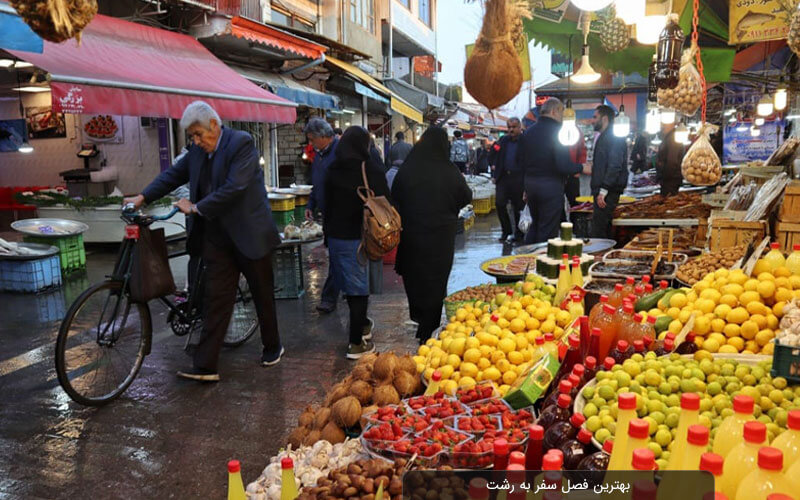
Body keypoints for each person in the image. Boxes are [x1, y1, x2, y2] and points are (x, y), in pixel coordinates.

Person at [123, 101, 283, 381]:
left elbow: (235, 188)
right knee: (216, 297)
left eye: (198, 134)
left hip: (249, 233)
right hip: (217, 236)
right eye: (192, 137)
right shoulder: (197, 151)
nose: (196, 141)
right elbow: (172, 175)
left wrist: (196, 208)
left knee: (262, 293)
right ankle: (206, 365)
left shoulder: (241, 144)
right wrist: (142, 198)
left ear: (213, 125)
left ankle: (273, 346)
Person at [392, 127, 472, 343]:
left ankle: (422, 321)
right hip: (440, 238)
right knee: (436, 281)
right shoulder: (449, 170)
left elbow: (395, 197)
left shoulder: (408, 169)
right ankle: (429, 326)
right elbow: (466, 196)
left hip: (412, 236)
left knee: (416, 279)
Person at [324, 126, 390, 359]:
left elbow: (326, 204)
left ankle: (362, 325)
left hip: (335, 237)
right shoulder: (369, 168)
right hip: (359, 237)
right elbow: (384, 199)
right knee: (359, 289)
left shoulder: (332, 168)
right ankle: (355, 344)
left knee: (351, 287)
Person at [519, 98, 589, 244]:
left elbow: (521, 162)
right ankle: (542, 263)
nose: (563, 117)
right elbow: (562, 165)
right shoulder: (558, 132)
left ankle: (527, 260)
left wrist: (525, 188)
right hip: (550, 187)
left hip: (531, 185)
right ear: (554, 111)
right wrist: (582, 167)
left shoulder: (528, 132)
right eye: (562, 113)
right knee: (547, 229)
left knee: (536, 224)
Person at [303, 118, 341, 313]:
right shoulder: (319, 155)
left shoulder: (340, 152)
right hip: (327, 214)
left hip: (340, 215)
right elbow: (317, 183)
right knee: (336, 256)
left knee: (336, 256)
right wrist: (311, 203)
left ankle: (329, 297)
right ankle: (340, 293)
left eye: (312, 139)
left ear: (323, 136)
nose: (311, 144)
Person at [590, 105, 629, 239]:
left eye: (595, 117)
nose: (592, 120)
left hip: (607, 193)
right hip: (604, 191)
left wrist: (604, 190)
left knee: (600, 232)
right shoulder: (605, 137)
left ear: (604, 118)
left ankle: (601, 257)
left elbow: (615, 165)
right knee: (602, 230)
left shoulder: (613, 137)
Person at [490, 118, 525, 242]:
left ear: (520, 127)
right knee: (500, 204)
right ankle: (506, 230)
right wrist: (494, 171)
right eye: (509, 127)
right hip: (503, 178)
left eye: (514, 127)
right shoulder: (503, 141)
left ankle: (519, 233)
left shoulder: (525, 141)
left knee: (517, 207)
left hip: (518, 179)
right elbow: (493, 153)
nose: (511, 130)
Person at [656, 123, 685, 196]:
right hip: (669, 179)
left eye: (663, 124)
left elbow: (672, 161)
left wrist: (665, 177)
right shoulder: (669, 137)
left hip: (670, 181)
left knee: (668, 203)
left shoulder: (673, 137)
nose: (661, 125)